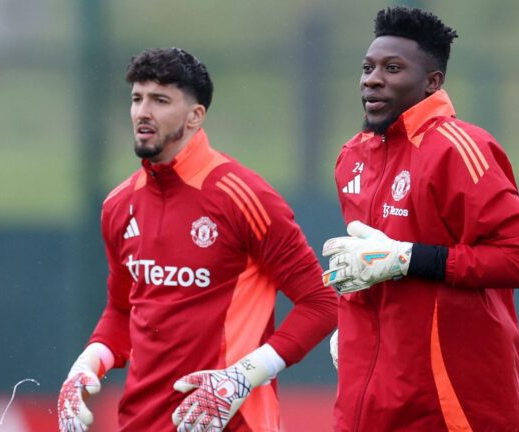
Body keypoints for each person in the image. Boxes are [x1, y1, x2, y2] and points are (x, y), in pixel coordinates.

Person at [57, 47, 338, 432]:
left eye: (160, 100)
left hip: (230, 424)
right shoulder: (119, 205)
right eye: (137, 99)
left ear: (195, 115)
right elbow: (123, 311)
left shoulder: (242, 195)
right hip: (140, 423)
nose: (142, 112)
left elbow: (322, 303)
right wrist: (87, 364)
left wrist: (243, 376)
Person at [322, 7, 519, 432]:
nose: (372, 79)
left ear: (432, 81)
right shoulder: (352, 156)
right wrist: (354, 326)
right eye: (368, 68)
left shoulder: (457, 149)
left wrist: (409, 259)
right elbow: (372, 268)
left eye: (392, 68)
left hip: (449, 404)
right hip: (368, 398)